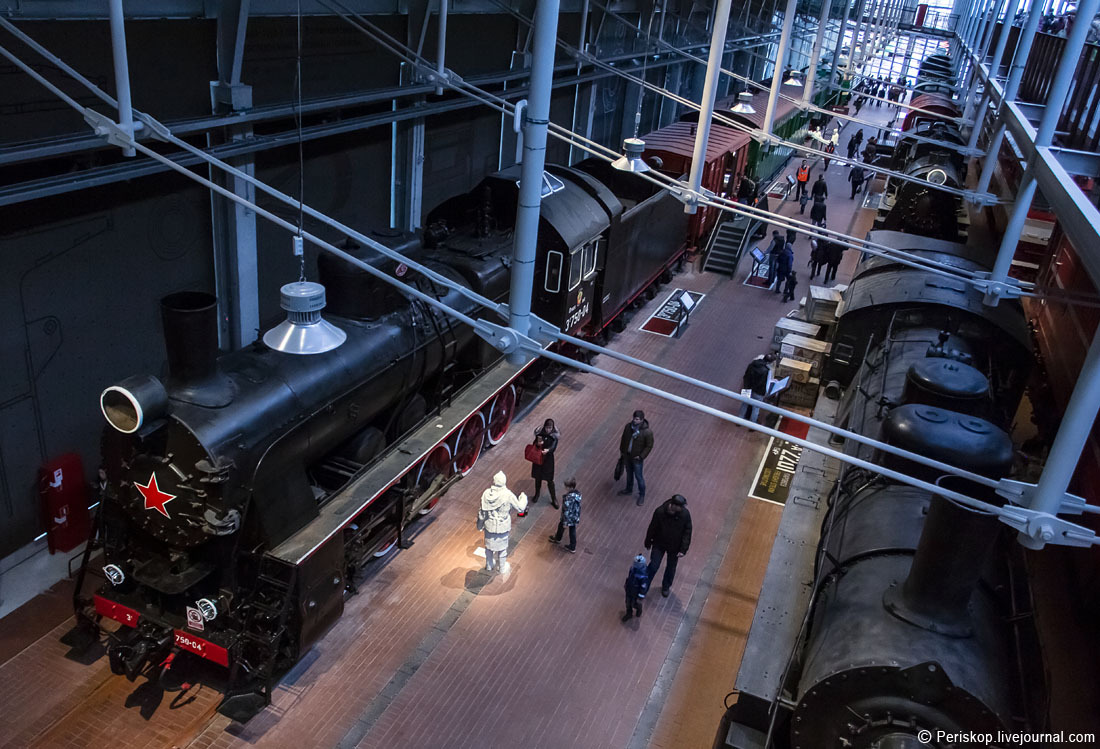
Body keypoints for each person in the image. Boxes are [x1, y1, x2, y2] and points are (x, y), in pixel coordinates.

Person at [477, 472, 527, 575]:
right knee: (502, 549)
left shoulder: (486, 493)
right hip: (503, 526)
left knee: (489, 548)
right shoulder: (508, 494)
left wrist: (480, 524)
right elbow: (520, 509)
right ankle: (502, 568)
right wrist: (523, 499)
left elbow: (482, 512)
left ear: (494, 481)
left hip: (489, 525)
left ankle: (489, 565)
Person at [644, 495, 692, 597]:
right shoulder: (660, 512)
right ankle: (644, 586)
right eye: (681, 506)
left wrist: (683, 549)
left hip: (675, 547)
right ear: (674, 506)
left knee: (671, 567)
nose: (682, 508)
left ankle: (666, 586)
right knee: (653, 566)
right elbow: (652, 527)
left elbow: (687, 531)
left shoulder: (684, 514)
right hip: (659, 543)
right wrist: (648, 541)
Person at [616, 410, 653, 506]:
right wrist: (622, 451)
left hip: (637, 459)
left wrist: (641, 456)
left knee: (639, 476)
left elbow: (649, 446)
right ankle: (629, 489)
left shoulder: (647, 432)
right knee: (629, 473)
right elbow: (624, 439)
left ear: (641, 420)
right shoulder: (628, 427)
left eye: (637, 419)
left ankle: (642, 494)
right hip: (627, 455)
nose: (634, 420)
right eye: (634, 418)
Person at [529, 418, 559, 510]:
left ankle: (554, 498)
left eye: (550, 428)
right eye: (547, 428)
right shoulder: (540, 434)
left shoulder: (554, 437)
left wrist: (548, 450)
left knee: (550, 480)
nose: (548, 430)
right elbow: (534, 444)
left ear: (552, 428)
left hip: (548, 460)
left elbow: (553, 447)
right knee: (538, 478)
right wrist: (538, 444)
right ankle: (537, 494)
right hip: (539, 459)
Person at [740, 352, 777, 423]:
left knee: (744, 404)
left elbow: (746, 375)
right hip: (758, 391)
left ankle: (739, 420)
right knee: (756, 408)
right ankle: (753, 424)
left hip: (747, 387)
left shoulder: (752, 364)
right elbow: (766, 382)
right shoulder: (767, 370)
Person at [548, 477, 581, 553]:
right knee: (572, 529)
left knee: (562, 526)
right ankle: (572, 546)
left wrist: (565, 523)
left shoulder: (568, 498)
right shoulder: (577, 495)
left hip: (567, 517)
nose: (565, 488)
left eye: (566, 487)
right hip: (575, 516)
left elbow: (566, 511)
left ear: (570, 487)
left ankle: (559, 539)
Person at [622, 554, 650, 622]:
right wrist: (626, 584)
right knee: (627, 603)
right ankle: (629, 613)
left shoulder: (643, 576)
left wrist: (640, 596)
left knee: (634, 604)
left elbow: (643, 587)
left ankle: (639, 608)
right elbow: (629, 577)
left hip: (636, 593)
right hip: (629, 590)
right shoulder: (632, 569)